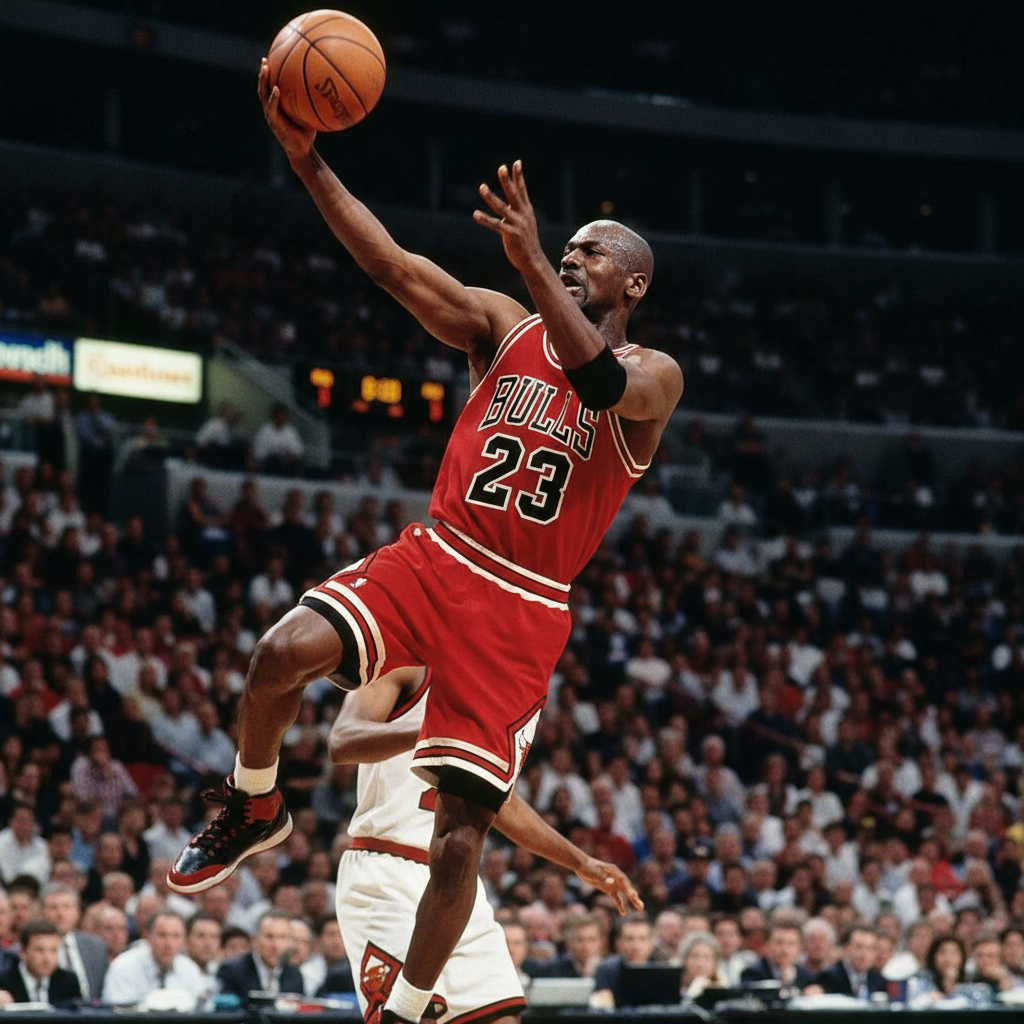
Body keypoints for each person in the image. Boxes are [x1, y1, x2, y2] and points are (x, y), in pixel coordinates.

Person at [169, 55, 682, 1024]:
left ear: (635, 279)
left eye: (590, 251)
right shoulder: (499, 323)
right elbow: (391, 265)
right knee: (279, 653)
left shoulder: (655, 370)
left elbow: (603, 388)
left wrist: (532, 261)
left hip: (522, 601)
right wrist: (308, 159)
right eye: (561, 248)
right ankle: (252, 802)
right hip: (440, 551)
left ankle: (407, 1009)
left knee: (459, 838)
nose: (570, 255)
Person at [329, 666, 640, 1022]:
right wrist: (435, 732)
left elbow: (502, 802)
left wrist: (580, 862)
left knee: (502, 1017)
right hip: (385, 868)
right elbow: (343, 741)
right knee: (413, 1017)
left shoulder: (496, 694)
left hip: (458, 887)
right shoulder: (407, 664)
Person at [101, 910, 205, 1005]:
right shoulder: (123, 967)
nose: (169, 943)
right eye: (162, 935)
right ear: (147, 937)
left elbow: (202, 1008)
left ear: (184, 940)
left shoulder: (189, 968)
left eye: (176, 936)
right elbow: (116, 1012)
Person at [216, 910, 304, 1003]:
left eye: (282, 937)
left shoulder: (295, 975)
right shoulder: (232, 971)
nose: (275, 945)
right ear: (255, 940)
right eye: (269, 937)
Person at [39, 882, 108, 1002]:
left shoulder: (95, 945)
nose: (60, 914)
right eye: (53, 908)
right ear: (41, 912)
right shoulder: (33, 947)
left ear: (77, 911)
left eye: (66, 907)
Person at [0, 920, 81, 1008]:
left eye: (53, 950)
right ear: (22, 952)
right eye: (40, 950)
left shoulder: (68, 982)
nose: (47, 958)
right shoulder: (4, 982)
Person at [811, 924, 887, 999]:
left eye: (870, 948)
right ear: (846, 948)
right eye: (858, 947)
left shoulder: (878, 980)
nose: (864, 953)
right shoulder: (829, 978)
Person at [740, 919, 815, 990]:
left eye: (791, 943)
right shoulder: (752, 974)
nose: (784, 950)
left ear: (800, 947)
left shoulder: (807, 976)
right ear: (767, 944)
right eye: (779, 943)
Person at [679, 931, 729, 998]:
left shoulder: (723, 989)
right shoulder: (673, 988)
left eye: (707, 957)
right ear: (684, 959)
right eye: (695, 956)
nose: (700, 964)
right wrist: (693, 992)